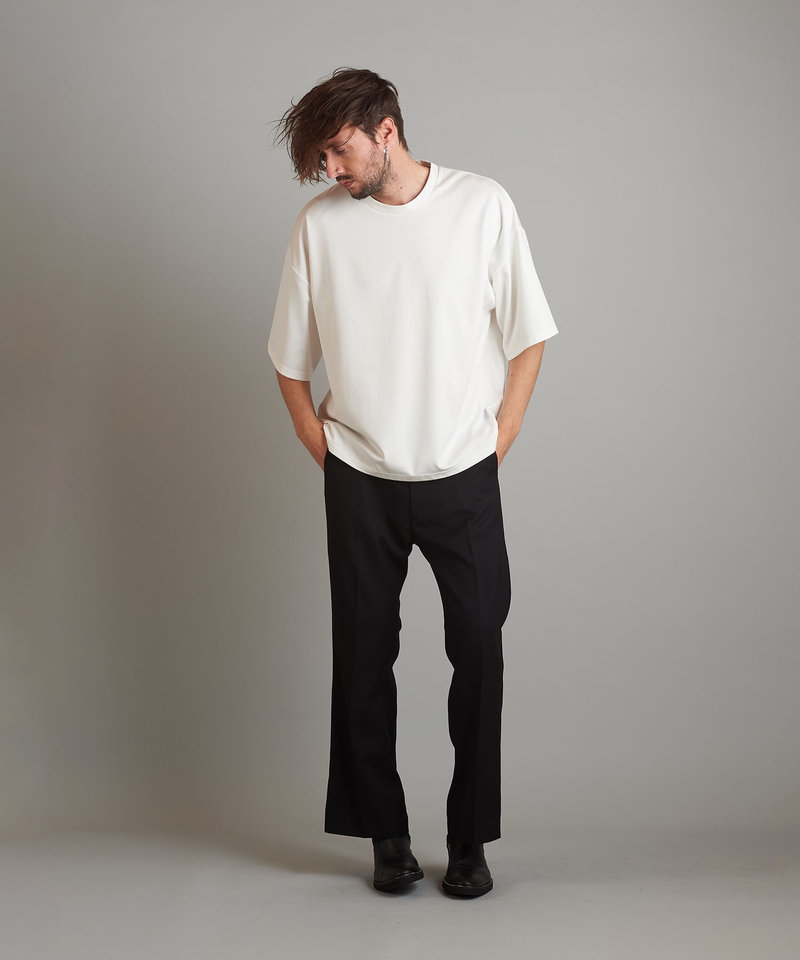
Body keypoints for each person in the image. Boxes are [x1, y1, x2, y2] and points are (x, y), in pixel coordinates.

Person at [267, 67, 558, 897]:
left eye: (338, 150)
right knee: (362, 659)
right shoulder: (320, 227)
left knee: (480, 650)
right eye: (321, 158)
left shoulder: (481, 205)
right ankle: (385, 838)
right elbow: (289, 359)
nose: (330, 169)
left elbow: (529, 333)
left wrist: (500, 437)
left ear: (385, 130)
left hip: (463, 471)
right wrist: (319, 443)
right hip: (360, 474)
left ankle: (470, 841)